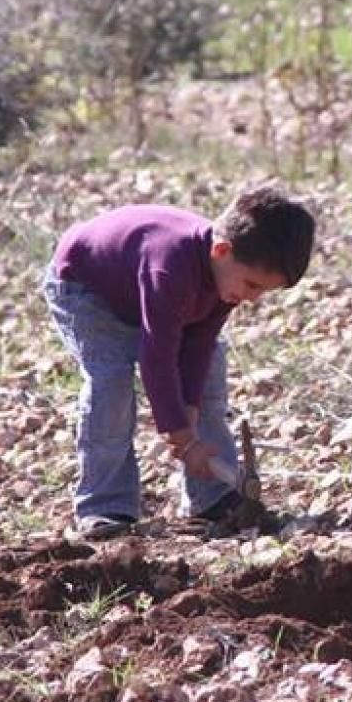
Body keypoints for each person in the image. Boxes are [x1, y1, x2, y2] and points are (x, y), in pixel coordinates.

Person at [43, 184, 315, 539]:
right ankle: (104, 507)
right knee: (112, 383)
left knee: (209, 380)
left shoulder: (225, 276)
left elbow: (199, 343)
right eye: (251, 285)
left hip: (143, 293)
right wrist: (182, 437)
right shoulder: (169, 267)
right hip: (86, 287)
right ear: (220, 250)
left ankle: (214, 498)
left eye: (263, 291)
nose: (252, 298)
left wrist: (188, 408)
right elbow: (157, 355)